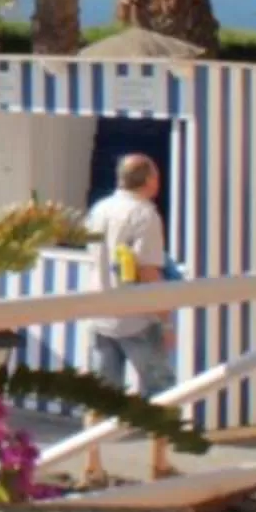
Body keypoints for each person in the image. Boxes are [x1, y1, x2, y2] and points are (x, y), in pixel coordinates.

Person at [80, 153, 176, 489]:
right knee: (162, 391)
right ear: (148, 180)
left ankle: (92, 466)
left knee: (100, 396)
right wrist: (166, 319)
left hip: (99, 312)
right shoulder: (145, 216)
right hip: (137, 318)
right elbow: (148, 269)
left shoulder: (99, 210)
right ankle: (160, 464)